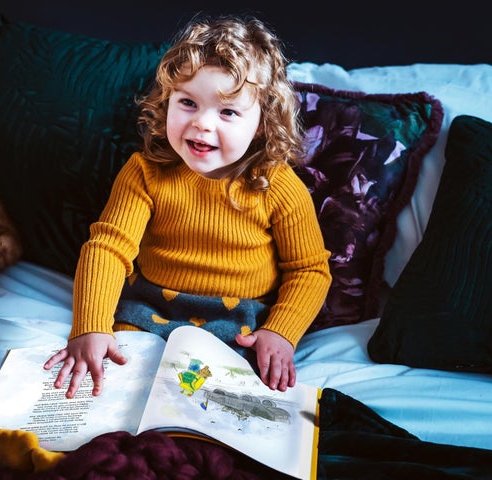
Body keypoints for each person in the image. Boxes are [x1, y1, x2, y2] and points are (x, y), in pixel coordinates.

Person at [44, 14, 331, 399]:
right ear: (167, 104)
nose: (202, 124)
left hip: (239, 319)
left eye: (227, 111)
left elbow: (309, 270)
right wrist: (90, 326)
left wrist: (280, 332)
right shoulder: (145, 172)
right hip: (150, 307)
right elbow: (108, 249)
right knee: (116, 382)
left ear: (262, 123)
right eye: (188, 103)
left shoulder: (277, 186)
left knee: (218, 399)